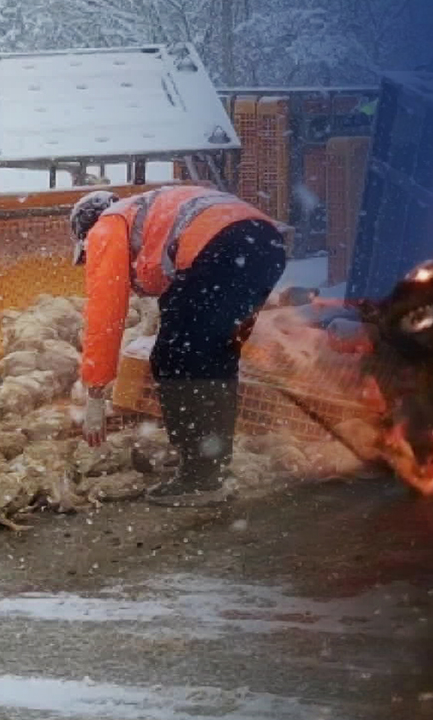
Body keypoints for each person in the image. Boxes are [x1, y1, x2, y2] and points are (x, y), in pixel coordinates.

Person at [72, 184, 286, 507]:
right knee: (211, 357)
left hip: (221, 247)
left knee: (173, 358)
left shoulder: (108, 224)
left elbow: (105, 311)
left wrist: (95, 393)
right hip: (265, 245)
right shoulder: (154, 214)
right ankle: (209, 464)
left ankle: (200, 475)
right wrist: (230, 341)